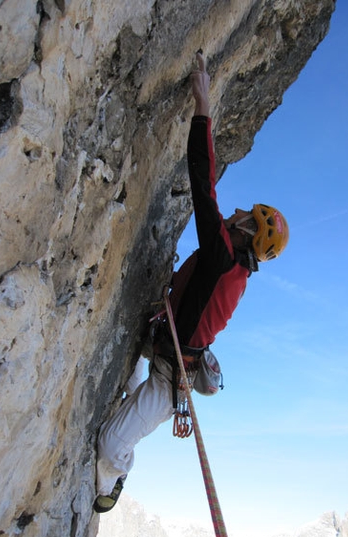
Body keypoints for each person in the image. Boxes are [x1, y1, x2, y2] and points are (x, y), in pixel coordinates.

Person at [93, 51, 289, 513]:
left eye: (247, 214)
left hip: (170, 375)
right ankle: (130, 387)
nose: (239, 210)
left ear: (247, 230)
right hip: (169, 348)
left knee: (108, 445)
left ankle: (110, 486)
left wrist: (203, 108)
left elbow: (204, 184)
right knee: (137, 382)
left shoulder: (224, 256)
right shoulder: (234, 267)